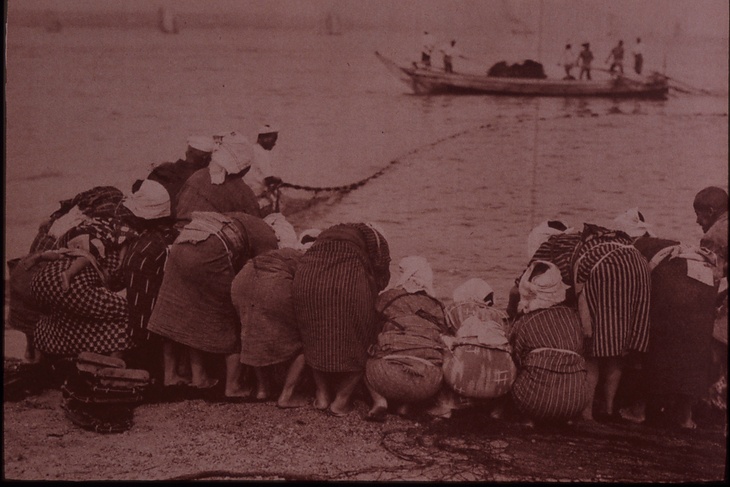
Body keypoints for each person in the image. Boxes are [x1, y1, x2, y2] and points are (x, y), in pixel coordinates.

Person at [147, 211, 278, 399]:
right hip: (210, 250)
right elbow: (264, 276)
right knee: (230, 321)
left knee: (181, 314)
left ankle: (175, 376)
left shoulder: (241, 219)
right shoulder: (268, 236)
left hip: (182, 244)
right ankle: (233, 387)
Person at [292, 222, 391, 416]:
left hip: (307, 279)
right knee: (362, 340)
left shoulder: (327, 235)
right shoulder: (377, 239)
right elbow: (382, 275)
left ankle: (322, 396)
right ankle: (341, 401)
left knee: (314, 337)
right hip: (346, 281)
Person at [631, 236, 719, 429]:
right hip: (702, 295)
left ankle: (639, 410)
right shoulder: (691, 255)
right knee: (694, 354)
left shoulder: (639, 250)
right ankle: (684, 416)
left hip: (670, 290)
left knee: (658, 350)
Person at [233, 218, 320, 407]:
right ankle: (286, 396)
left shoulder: (284, 252)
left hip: (243, 279)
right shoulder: (313, 261)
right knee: (304, 344)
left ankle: (263, 389)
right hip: (272, 285)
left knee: (252, 334)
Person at [364, 256, 448, 421]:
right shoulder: (438, 306)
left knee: (368, 353)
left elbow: (371, 326)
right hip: (429, 382)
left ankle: (379, 401)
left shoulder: (388, 297)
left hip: (385, 376)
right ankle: (406, 405)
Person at [510, 260, 589, 424]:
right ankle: (566, 417)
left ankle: (529, 419)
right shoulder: (573, 317)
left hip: (534, 402)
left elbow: (515, 357)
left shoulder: (525, 322)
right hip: (576, 400)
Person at [174, 133, 261, 227]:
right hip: (209, 233)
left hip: (181, 230)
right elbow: (256, 223)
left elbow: (178, 203)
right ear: (245, 166)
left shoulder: (198, 175)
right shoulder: (242, 190)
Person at [145, 135, 215, 218]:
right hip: (178, 219)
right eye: (210, 157)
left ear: (187, 153)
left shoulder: (163, 168)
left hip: (152, 215)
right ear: (206, 159)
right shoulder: (205, 178)